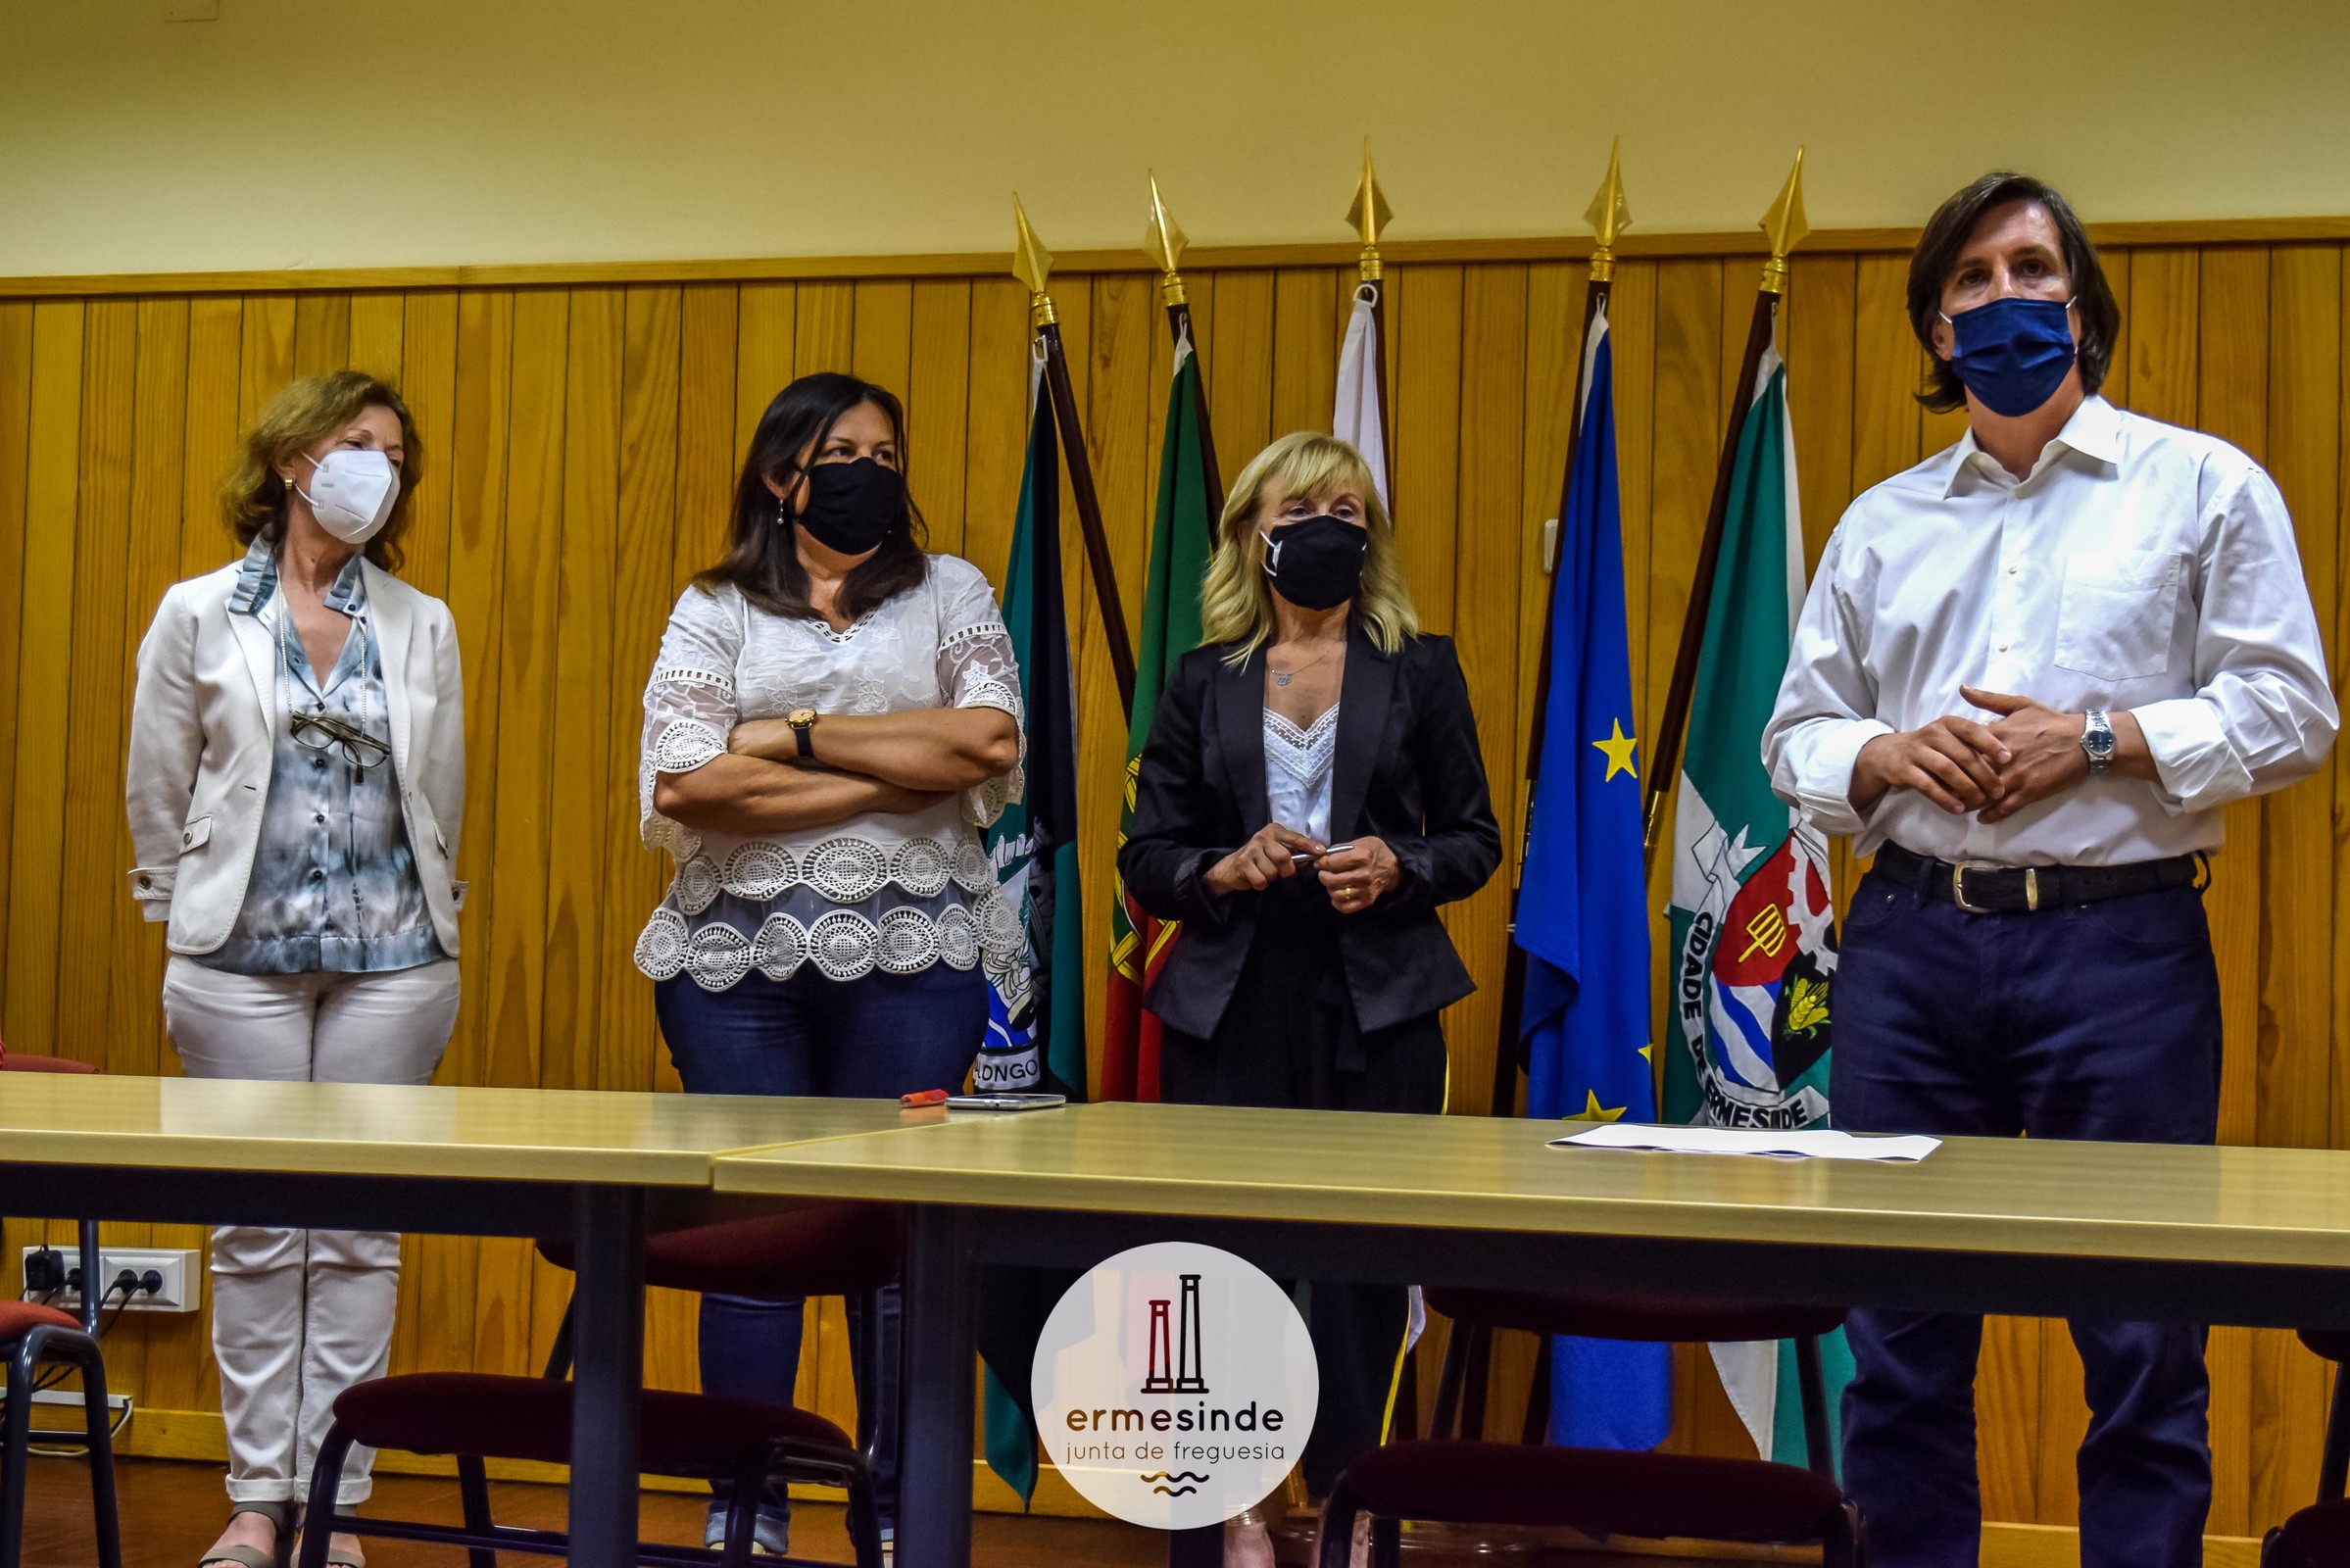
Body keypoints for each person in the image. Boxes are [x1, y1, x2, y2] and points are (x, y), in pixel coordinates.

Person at [1765, 172, 2338, 1568]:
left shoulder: (2202, 486)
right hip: (1909, 951)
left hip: (2119, 957)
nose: (2004, 296)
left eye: (2031, 267)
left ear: (2079, 304)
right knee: (1897, 1342)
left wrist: (2095, 740)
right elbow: (1796, 737)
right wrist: (1887, 755)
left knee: (2142, 1342)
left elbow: (2292, 713)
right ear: (1936, 329)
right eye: (1970, 279)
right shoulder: (1879, 523)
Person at [634, 369, 1022, 1555]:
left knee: (896, 1242)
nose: (869, 474)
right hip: (732, 966)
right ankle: (746, 1505)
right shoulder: (715, 605)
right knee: (756, 1237)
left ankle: (901, 1510)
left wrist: (793, 737)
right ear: (779, 475)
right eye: (843, 454)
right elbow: (688, 782)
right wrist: (899, 776)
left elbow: (988, 738)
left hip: (919, 958)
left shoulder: (950, 590)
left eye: (885, 456)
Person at [1119, 431, 1500, 1547]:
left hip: (1378, 1005)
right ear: (1252, 533)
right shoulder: (1203, 678)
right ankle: (1237, 1506)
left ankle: (1348, 1506)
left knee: (1362, 1269)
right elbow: (1147, 854)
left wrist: (1400, 864)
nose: (1327, 528)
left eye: (1348, 510)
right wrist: (1218, 869)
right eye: (1300, 511)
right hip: (1230, 1005)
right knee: (1225, 1260)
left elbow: (1473, 839)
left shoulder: (1419, 667)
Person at [126, 371, 466, 1568]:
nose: (378, 465)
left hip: (396, 961)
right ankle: (257, 1502)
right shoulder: (197, 612)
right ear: (290, 459)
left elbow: (441, 794)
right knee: (261, 1228)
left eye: (395, 453)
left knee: (361, 1230)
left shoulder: (422, 621)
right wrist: (175, 912)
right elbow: (157, 780)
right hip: (236, 961)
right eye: (355, 440)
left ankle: (336, 1505)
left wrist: (436, 908)